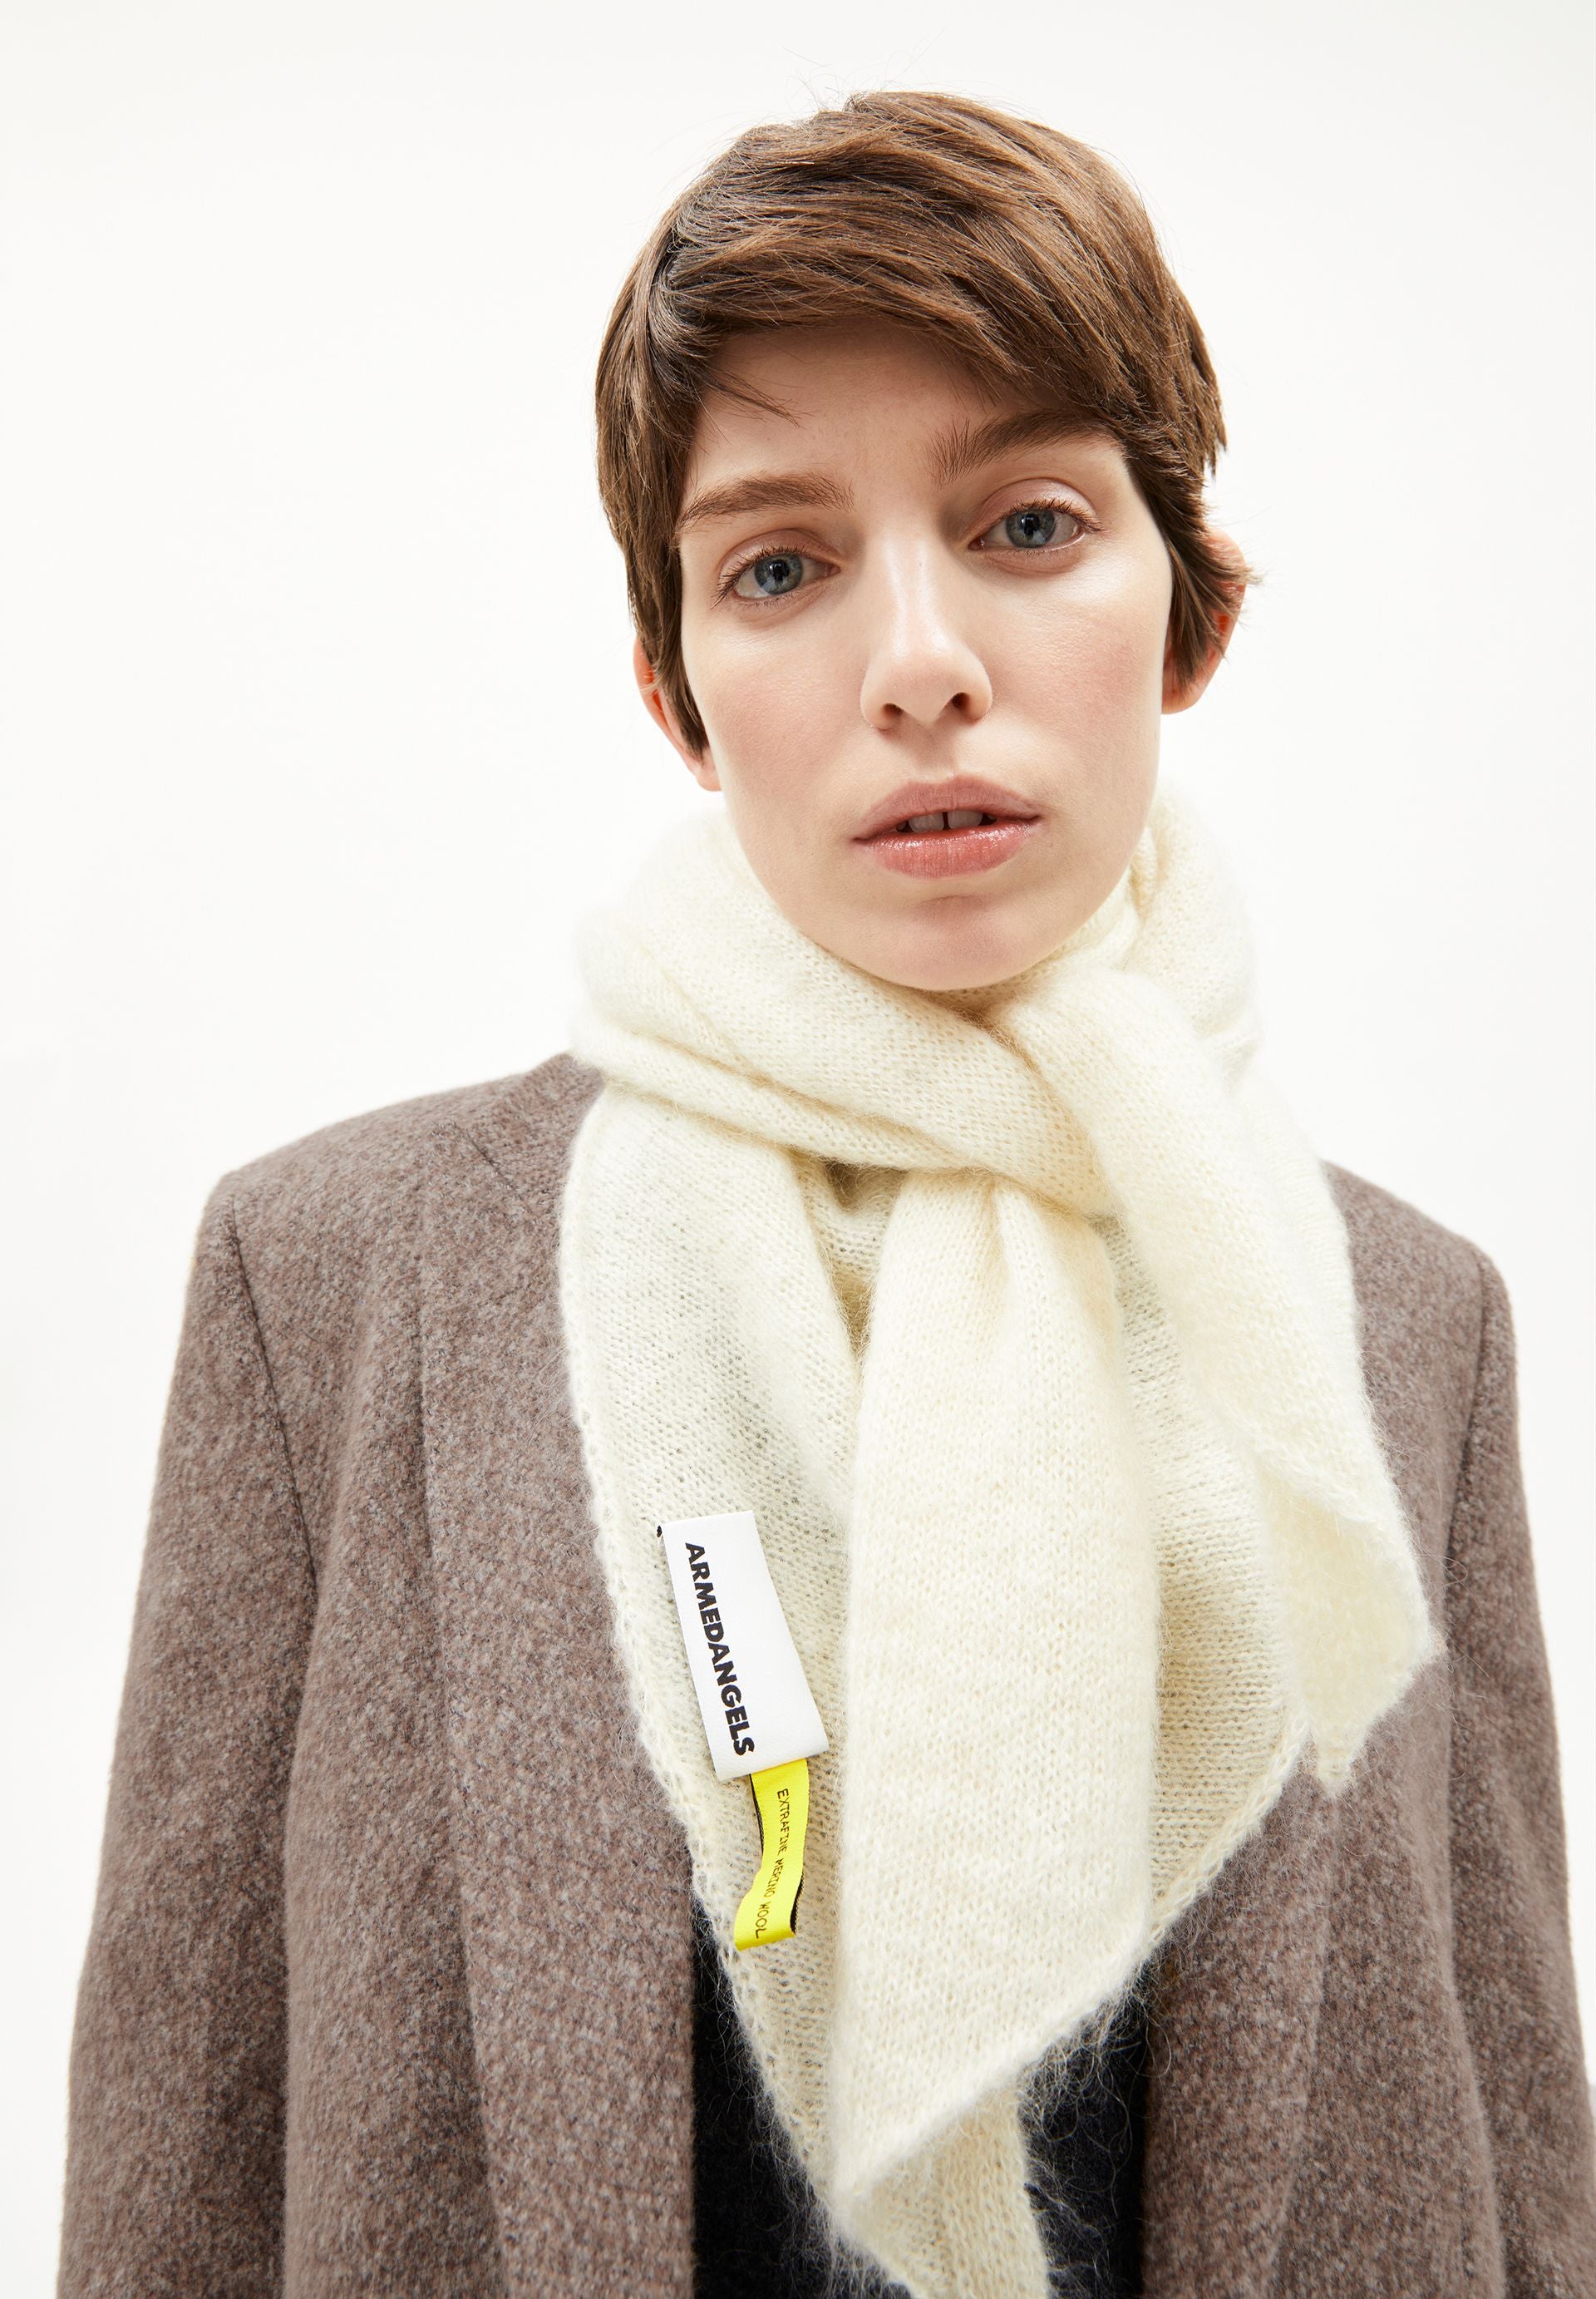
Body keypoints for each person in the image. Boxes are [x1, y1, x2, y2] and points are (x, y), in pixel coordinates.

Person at [56, 89, 1594, 2299]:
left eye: (1031, 524)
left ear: (1191, 612)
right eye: (780, 568)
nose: (920, 662)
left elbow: (1524, 2175)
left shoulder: (1402, 1324)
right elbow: (176, 2177)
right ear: (676, 685)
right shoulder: (340, 1286)